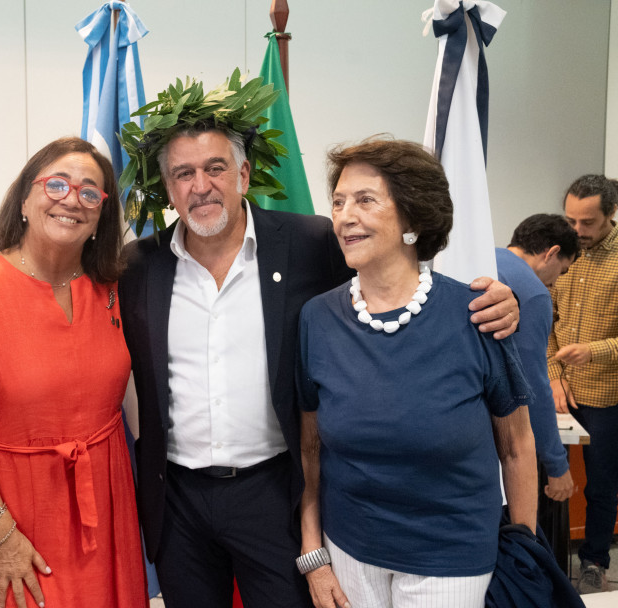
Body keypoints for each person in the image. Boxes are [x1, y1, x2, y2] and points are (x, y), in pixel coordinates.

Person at [117, 74, 521, 608]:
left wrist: (499, 298)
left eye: (215, 167)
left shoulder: (311, 242)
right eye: (183, 173)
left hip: (274, 491)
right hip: (178, 498)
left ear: (242, 174)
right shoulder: (137, 268)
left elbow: (391, 276)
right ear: (167, 188)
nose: (200, 185)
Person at [297, 139, 538, 608]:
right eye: (339, 201)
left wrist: (522, 548)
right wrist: (314, 551)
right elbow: (310, 447)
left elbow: (516, 444)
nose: (345, 215)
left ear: (412, 217)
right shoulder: (317, 319)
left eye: (366, 200)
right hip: (350, 551)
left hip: (452, 556)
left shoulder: (478, 314)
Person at [0, 137, 147, 608]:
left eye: (91, 192)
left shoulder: (109, 287)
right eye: (57, 184)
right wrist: (0, 533)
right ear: (25, 198)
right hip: (12, 517)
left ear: (101, 216)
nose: (72, 199)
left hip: (104, 512)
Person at [548, 175, 618, 595]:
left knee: (601, 485)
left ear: (611, 215)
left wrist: (594, 351)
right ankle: (544, 556)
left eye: (587, 222)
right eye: (571, 219)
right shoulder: (562, 253)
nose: (577, 230)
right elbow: (546, 323)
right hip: (559, 391)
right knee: (543, 474)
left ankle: (594, 563)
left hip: (605, 396)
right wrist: (555, 375)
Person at [496, 214, 580, 566]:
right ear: (552, 253)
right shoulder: (531, 292)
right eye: (561, 272)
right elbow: (532, 387)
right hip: (500, 431)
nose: (555, 283)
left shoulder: (486, 259)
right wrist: (557, 465)